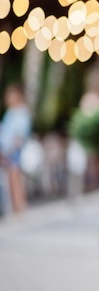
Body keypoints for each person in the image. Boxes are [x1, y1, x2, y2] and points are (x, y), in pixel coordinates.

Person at [0, 83, 32, 216]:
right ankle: (16, 206)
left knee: (15, 176)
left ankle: (19, 206)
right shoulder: (11, 112)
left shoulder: (21, 112)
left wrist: (11, 149)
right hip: (7, 149)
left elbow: (20, 134)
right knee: (11, 177)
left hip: (14, 150)